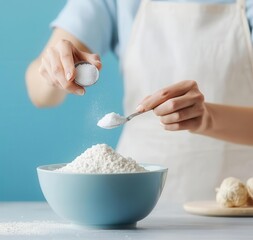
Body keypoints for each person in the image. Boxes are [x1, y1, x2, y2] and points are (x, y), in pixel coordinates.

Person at [25, 0, 253, 203]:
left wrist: (207, 118)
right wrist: (54, 70)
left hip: (240, 202)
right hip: (133, 200)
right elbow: (40, 93)